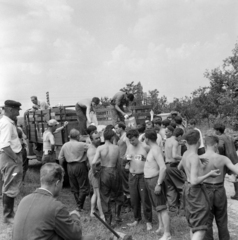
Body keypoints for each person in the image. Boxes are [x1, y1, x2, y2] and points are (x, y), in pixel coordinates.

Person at [12, 163, 94, 240]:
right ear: (57, 183)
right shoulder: (56, 207)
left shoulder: (24, 200)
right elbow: (76, 236)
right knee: (90, 237)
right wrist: (74, 217)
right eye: (62, 182)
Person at [178, 130, 220, 240]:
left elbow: (179, 167)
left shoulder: (186, 154)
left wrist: (198, 158)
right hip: (196, 191)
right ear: (199, 141)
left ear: (186, 142)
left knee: (194, 225)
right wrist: (209, 174)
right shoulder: (194, 157)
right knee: (200, 228)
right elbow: (194, 180)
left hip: (187, 190)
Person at [201, 134, 238, 240]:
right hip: (219, 190)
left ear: (206, 145)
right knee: (222, 220)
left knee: (207, 220)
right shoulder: (223, 158)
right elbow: (236, 171)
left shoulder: (200, 158)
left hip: (205, 190)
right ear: (216, 145)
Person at [92, 128, 124, 225]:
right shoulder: (116, 148)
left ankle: (108, 221)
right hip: (114, 171)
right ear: (112, 137)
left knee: (105, 197)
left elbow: (93, 163)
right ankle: (118, 216)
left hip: (104, 171)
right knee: (118, 195)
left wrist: (95, 172)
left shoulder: (100, 148)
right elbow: (119, 163)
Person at [144, 129, 171, 240]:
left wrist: (159, 184)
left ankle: (167, 233)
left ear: (147, 138)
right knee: (157, 207)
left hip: (155, 180)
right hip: (150, 181)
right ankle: (161, 227)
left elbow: (163, 167)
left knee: (162, 208)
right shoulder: (152, 149)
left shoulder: (155, 150)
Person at [0, 100, 23, 224]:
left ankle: (10, 213)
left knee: (10, 184)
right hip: (10, 158)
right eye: (16, 110)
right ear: (10, 110)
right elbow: (5, 145)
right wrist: (15, 158)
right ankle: (8, 216)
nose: (18, 113)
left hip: (9, 157)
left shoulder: (8, 122)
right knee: (10, 184)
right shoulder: (7, 124)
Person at [125, 129, 153, 231]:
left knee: (145, 198)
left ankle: (148, 221)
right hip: (132, 175)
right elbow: (126, 158)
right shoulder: (129, 147)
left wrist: (143, 159)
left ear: (137, 137)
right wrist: (127, 161)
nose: (131, 142)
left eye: (133, 140)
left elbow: (152, 160)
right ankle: (136, 219)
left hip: (142, 175)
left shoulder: (145, 147)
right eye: (130, 140)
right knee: (134, 198)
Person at [58, 129, 89, 212]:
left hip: (69, 166)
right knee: (83, 186)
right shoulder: (82, 145)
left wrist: (62, 167)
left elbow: (60, 158)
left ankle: (79, 204)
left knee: (74, 186)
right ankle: (79, 206)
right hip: (80, 165)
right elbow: (92, 148)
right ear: (78, 136)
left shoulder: (65, 145)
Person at [214, 122, 238, 200]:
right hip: (233, 158)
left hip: (226, 159)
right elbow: (235, 145)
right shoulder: (229, 136)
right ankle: (237, 194)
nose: (214, 131)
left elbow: (220, 147)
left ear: (218, 130)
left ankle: (220, 195)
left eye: (215, 130)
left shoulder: (220, 138)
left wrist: (220, 156)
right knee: (234, 176)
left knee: (221, 177)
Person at [164, 128, 185, 212]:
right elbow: (175, 155)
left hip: (167, 166)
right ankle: (183, 208)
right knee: (182, 187)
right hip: (173, 166)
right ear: (179, 136)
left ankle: (172, 208)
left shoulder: (168, 140)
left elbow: (170, 147)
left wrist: (180, 143)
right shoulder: (175, 142)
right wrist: (185, 157)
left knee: (170, 188)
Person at [87, 130, 104, 219]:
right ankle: (102, 215)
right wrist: (102, 160)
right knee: (98, 194)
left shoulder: (97, 148)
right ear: (91, 140)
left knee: (95, 193)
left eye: (99, 137)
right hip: (95, 172)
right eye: (96, 138)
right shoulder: (92, 150)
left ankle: (92, 211)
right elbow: (92, 163)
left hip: (95, 172)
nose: (98, 139)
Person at [115, 122, 131, 212]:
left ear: (121, 128)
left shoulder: (126, 137)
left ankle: (129, 205)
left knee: (126, 183)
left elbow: (129, 149)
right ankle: (126, 203)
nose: (116, 129)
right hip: (120, 161)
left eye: (117, 127)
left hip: (124, 161)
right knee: (123, 183)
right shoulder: (121, 137)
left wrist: (127, 162)